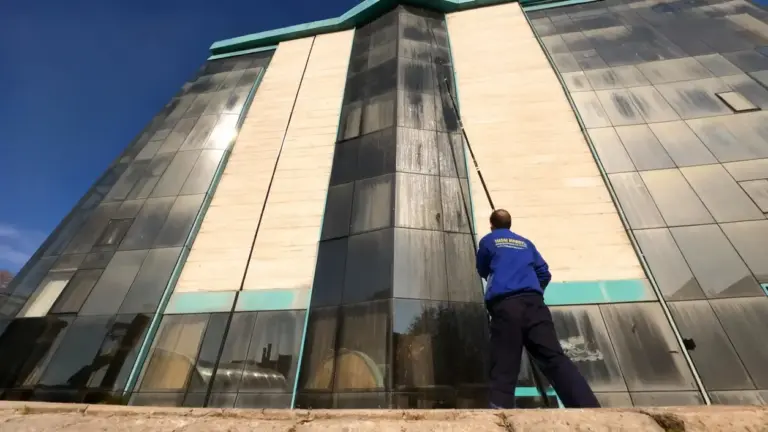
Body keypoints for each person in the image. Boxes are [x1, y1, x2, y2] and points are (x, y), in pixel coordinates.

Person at [476, 209, 600, 409]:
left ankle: (500, 411)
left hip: (507, 305)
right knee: (554, 357)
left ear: (492, 224)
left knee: (505, 361)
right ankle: (586, 406)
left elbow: (482, 268)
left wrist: (503, 279)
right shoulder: (526, 243)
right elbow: (544, 273)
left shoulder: (489, 240)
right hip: (535, 305)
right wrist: (532, 291)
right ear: (510, 224)